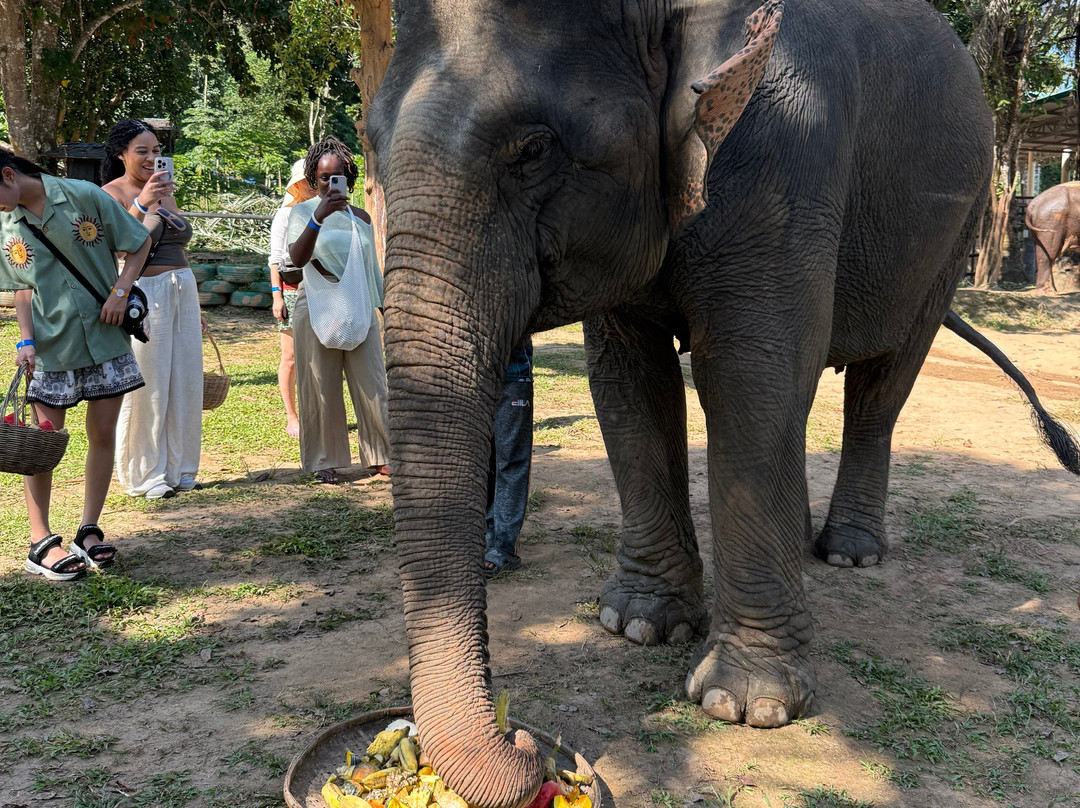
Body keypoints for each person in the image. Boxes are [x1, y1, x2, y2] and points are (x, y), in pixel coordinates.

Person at [0, 150, 152, 580]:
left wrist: (121, 291)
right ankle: (39, 542)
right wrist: (26, 340)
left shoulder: (83, 195)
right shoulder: (7, 222)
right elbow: (23, 290)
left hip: (106, 340)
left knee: (102, 435)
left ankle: (88, 531)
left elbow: (138, 243)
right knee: (40, 448)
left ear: (9, 175)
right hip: (51, 349)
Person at [101, 119, 204, 500]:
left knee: (184, 381)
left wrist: (194, 306)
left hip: (182, 290)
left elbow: (179, 245)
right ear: (121, 154)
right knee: (148, 384)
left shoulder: (167, 191)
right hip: (144, 293)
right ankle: (145, 473)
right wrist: (141, 203)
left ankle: (180, 468)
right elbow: (121, 247)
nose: (151, 157)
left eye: (156, 150)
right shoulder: (110, 194)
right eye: (141, 150)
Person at [287, 138, 390, 483]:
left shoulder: (361, 217)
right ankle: (323, 459)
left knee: (372, 381)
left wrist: (384, 308)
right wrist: (318, 216)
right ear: (313, 179)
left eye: (338, 176)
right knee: (318, 385)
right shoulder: (301, 212)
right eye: (323, 177)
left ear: (349, 176)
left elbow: (372, 268)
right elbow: (297, 259)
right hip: (316, 304)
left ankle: (381, 455)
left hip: (358, 302)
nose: (330, 183)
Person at [268, 159, 317, 438]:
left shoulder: (323, 211)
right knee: (290, 357)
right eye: (306, 180)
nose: (311, 185)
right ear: (296, 184)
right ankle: (292, 416)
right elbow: (275, 259)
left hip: (319, 286)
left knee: (316, 356)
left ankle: (316, 411)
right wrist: (277, 296)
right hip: (290, 288)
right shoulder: (285, 214)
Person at [484, 341, 534, 577]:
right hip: (470, 375)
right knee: (484, 460)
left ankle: (504, 545)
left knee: (511, 459)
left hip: (514, 374)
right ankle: (487, 533)